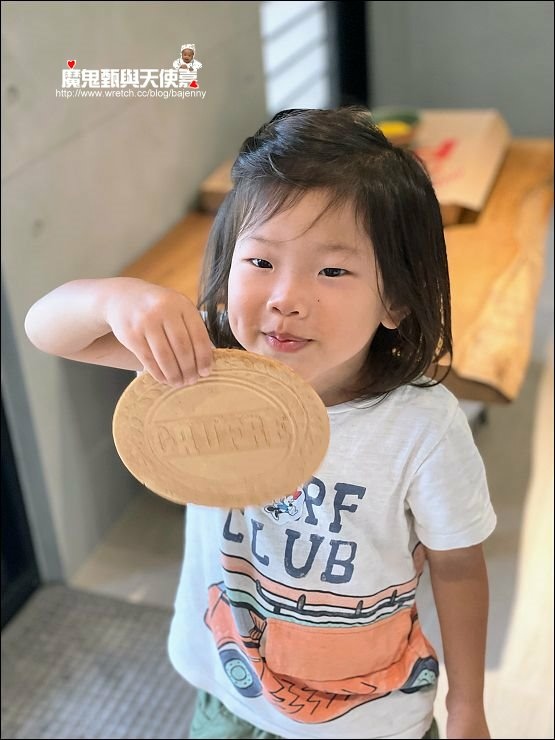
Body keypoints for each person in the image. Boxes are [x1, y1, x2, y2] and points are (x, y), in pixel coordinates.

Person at [24, 107, 496, 740]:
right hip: (231, 694)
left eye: (333, 270)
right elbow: (47, 330)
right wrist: (115, 298)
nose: (285, 298)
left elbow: (459, 567)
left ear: (396, 299)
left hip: (369, 718)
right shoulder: (202, 367)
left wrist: (467, 707)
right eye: (261, 262)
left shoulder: (421, 427)